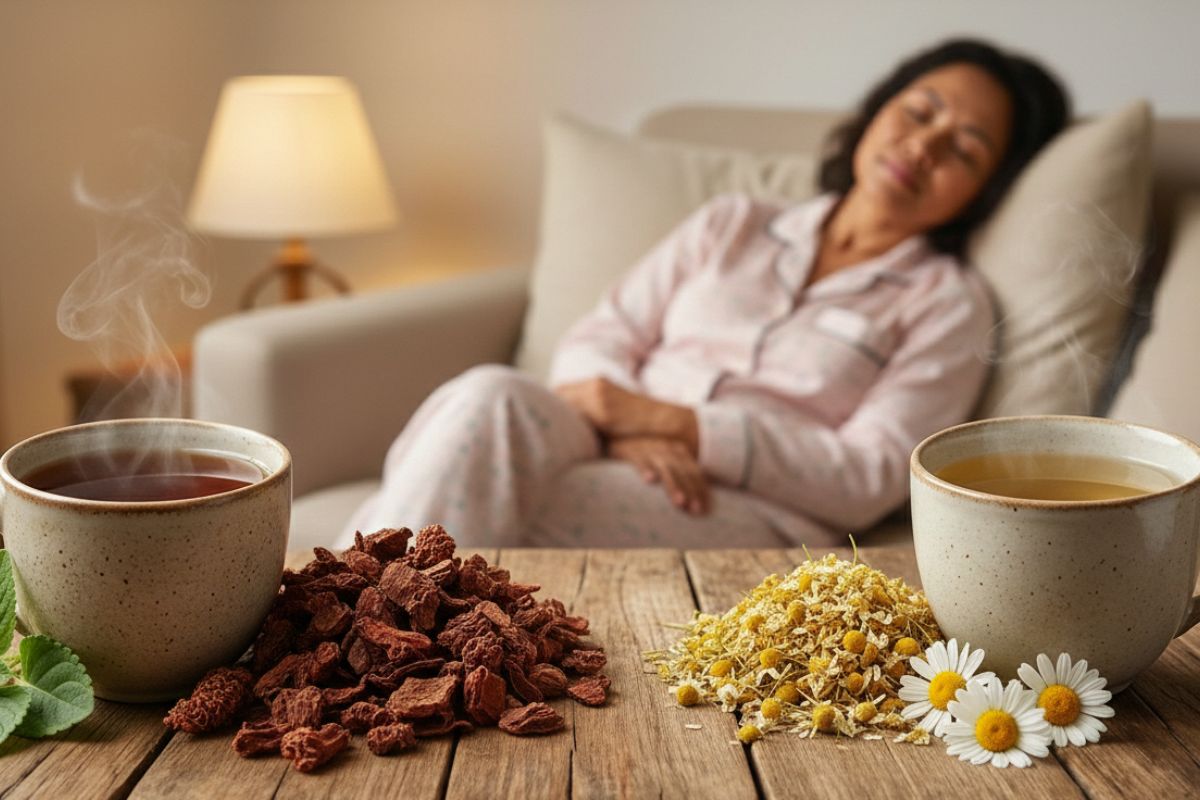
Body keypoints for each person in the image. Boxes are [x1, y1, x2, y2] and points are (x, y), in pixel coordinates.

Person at [340, 38, 1070, 550]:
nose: (925, 146)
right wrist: (630, 426)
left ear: (985, 192)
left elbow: (874, 475)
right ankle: (333, 630)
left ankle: (327, 642)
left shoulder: (949, 304)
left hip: (739, 506)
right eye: (919, 111)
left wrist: (682, 427)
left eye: (965, 148)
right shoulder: (735, 222)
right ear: (879, 111)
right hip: (605, 433)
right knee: (487, 395)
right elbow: (602, 336)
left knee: (508, 503)